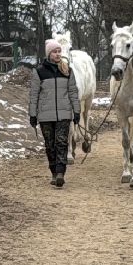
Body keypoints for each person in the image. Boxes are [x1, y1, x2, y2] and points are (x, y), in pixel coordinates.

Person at [28, 37, 82, 188]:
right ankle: (53, 171)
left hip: (64, 114)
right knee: (50, 145)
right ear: (49, 54)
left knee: (61, 142)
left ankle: (60, 173)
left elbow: (73, 92)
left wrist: (76, 111)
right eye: (55, 52)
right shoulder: (39, 72)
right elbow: (34, 95)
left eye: (59, 51)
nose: (58, 54)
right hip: (45, 115)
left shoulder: (67, 71)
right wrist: (32, 114)